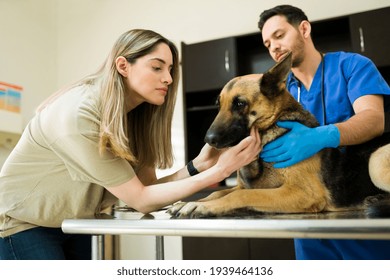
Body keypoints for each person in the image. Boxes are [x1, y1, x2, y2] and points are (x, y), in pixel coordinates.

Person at [0, 29, 261, 260]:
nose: (168, 79)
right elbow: (142, 201)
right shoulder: (79, 114)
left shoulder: (133, 117)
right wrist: (220, 171)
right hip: (23, 223)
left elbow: (146, 190)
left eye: (170, 69)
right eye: (157, 67)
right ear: (123, 66)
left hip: (72, 222)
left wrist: (198, 166)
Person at [258, 5, 390, 259]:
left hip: (357, 209)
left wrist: (321, 136)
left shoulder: (351, 66)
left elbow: (374, 119)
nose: (273, 47)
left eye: (279, 35)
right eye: (267, 43)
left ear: (304, 29)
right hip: (306, 212)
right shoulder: (279, 92)